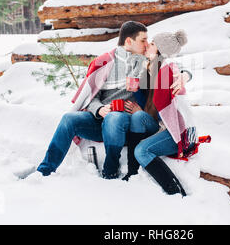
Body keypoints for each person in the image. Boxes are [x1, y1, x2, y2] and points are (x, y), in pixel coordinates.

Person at [36, 21, 192, 179]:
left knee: (114, 117)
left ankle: (111, 168)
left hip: (126, 124)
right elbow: (91, 96)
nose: (146, 44)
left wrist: (184, 75)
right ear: (129, 41)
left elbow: (169, 63)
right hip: (100, 120)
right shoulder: (105, 62)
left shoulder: (144, 63)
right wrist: (98, 109)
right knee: (68, 119)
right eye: (143, 40)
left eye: (148, 41)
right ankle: (45, 170)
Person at [123, 30, 198, 197]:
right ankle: (132, 172)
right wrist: (135, 90)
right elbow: (150, 102)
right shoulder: (152, 68)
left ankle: (176, 192)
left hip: (177, 131)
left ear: (160, 50)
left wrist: (185, 75)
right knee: (138, 117)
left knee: (142, 151)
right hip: (161, 124)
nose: (148, 45)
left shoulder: (167, 70)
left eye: (152, 44)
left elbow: (163, 100)